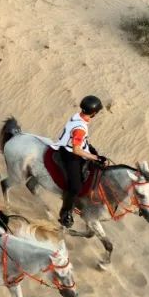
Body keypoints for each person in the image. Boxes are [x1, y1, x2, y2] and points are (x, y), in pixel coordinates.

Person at [56, 95, 107, 228]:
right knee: (76, 187)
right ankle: (66, 213)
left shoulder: (78, 116)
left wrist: (91, 150)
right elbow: (76, 150)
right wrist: (95, 158)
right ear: (94, 113)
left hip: (72, 145)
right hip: (69, 153)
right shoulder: (80, 128)